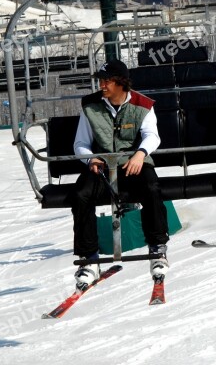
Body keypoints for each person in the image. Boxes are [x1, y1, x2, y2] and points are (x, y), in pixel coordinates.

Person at [71, 59, 169, 289]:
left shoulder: (142, 104)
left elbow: (152, 135)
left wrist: (140, 154)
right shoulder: (90, 106)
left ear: (120, 83)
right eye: (101, 81)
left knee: (152, 188)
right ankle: (89, 259)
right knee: (81, 194)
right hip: (103, 166)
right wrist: (90, 158)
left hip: (132, 164)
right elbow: (80, 143)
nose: (102, 85)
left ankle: (157, 248)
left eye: (106, 81)